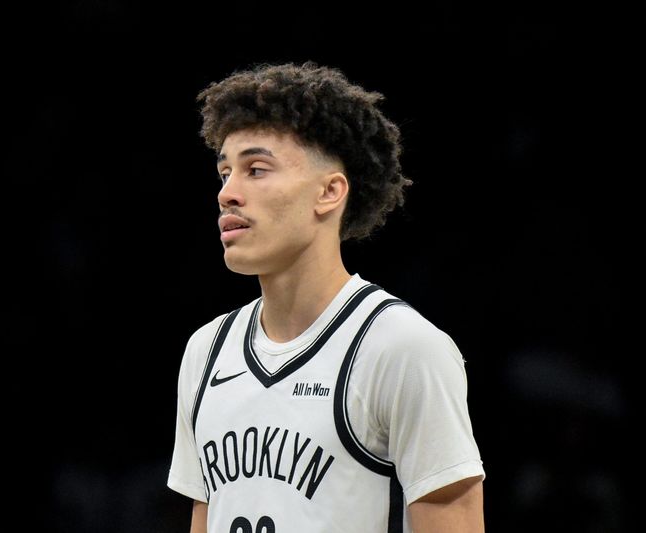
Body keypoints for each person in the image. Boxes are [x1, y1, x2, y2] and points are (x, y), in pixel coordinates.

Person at [167, 62, 485, 533]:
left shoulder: (402, 347)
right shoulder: (205, 350)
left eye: (256, 170)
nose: (227, 194)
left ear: (329, 192)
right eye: (224, 173)